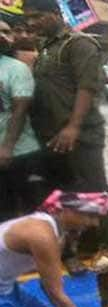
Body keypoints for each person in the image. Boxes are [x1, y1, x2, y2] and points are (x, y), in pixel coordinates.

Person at [23, 0, 108, 255]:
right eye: (29, 18)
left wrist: (73, 126)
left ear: (56, 14)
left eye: (37, 17)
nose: (32, 23)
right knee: (66, 197)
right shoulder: (45, 48)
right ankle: (82, 250)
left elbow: (87, 86)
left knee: (94, 193)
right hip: (52, 137)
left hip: (81, 135)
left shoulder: (78, 44)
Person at [0, 16, 44, 221]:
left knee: (25, 212)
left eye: (7, 32)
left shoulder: (16, 69)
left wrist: (7, 148)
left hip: (18, 154)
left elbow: (20, 110)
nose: (2, 36)